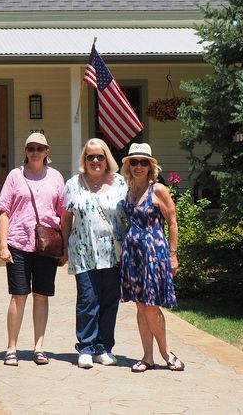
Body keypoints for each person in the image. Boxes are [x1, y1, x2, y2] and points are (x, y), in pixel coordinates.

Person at [0, 132, 65, 367]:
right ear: (25, 151)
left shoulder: (56, 177)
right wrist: (3, 245)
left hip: (46, 244)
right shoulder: (15, 176)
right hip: (18, 243)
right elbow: (4, 212)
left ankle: (39, 348)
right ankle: (11, 348)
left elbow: (63, 214)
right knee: (19, 295)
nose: (34, 152)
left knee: (42, 296)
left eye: (39, 148)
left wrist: (64, 247)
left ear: (47, 152)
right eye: (30, 148)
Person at [61, 138, 128, 369]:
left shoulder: (120, 182)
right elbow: (66, 218)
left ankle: (104, 348)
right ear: (84, 160)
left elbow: (130, 214)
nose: (96, 161)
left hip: (113, 253)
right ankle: (86, 348)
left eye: (100, 156)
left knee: (110, 300)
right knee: (88, 300)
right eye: (90, 157)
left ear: (107, 158)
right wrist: (64, 246)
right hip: (83, 250)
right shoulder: (73, 184)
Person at [119, 143, 185, 372]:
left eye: (143, 162)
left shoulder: (157, 189)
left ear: (151, 166)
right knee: (140, 306)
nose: (138, 166)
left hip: (153, 254)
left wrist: (173, 255)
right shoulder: (129, 189)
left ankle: (167, 353)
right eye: (134, 162)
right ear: (128, 165)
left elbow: (173, 222)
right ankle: (147, 356)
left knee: (151, 307)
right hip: (132, 255)